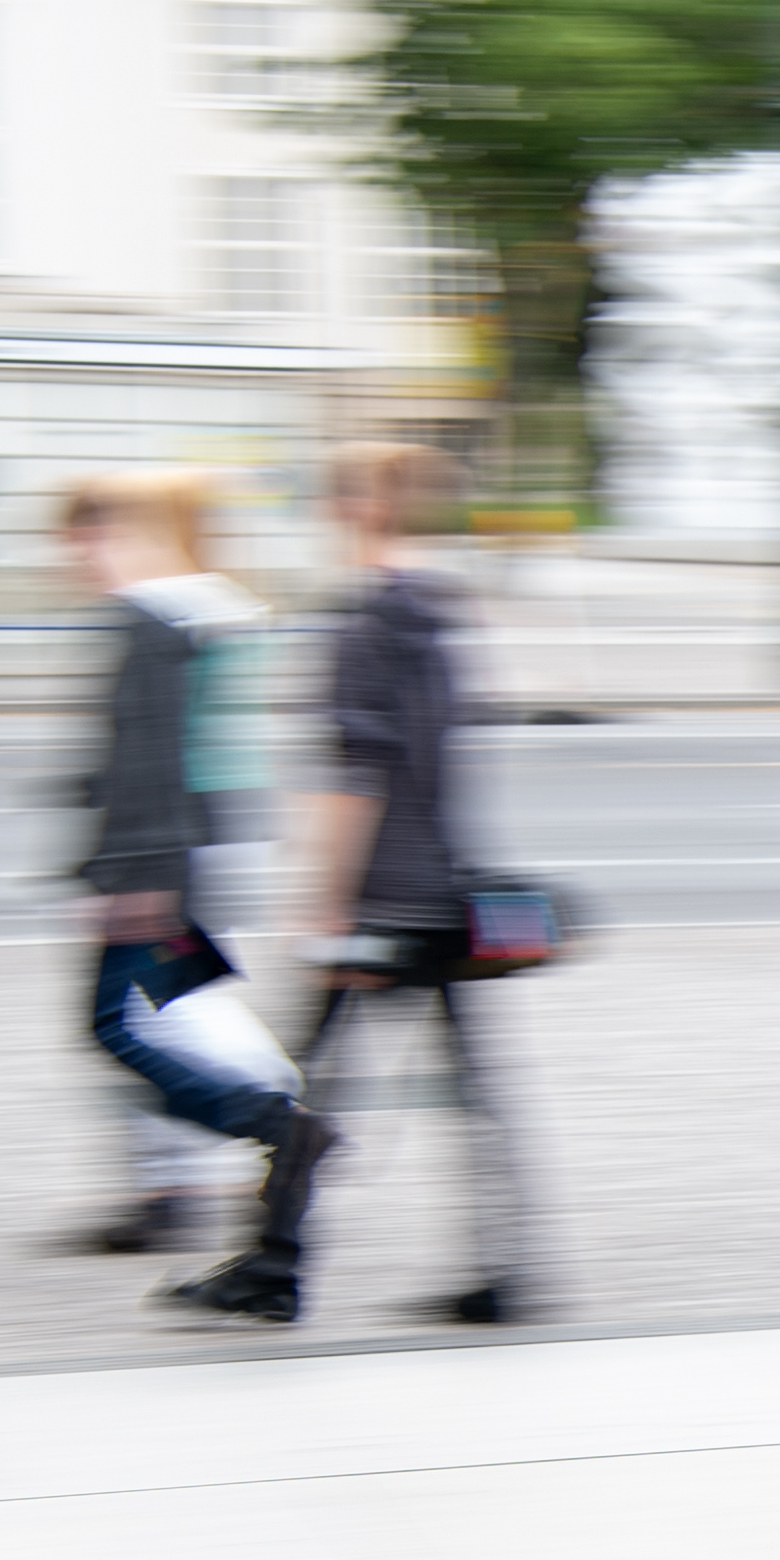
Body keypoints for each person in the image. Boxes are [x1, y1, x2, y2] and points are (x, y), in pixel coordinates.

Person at [63, 471, 340, 1325]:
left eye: (83, 536)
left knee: (120, 1022)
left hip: (172, 857)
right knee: (183, 1002)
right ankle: (226, 1154)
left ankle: (270, 1120)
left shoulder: (157, 616)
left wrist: (130, 873)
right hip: (205, 846)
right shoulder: (215, 608)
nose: (72, 554)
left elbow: (150, 754)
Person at [288, 442, 533, 1325]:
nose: (325, 507)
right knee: (477, 1087)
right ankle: (510, 1267)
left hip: (380, 895)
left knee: (305, 1083)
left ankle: (272, 1265)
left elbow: (357, 773)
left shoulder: (364, 621)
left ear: (365, 508)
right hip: (446, 884)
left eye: (335, 493)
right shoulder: (446, 611)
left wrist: (324, 897)